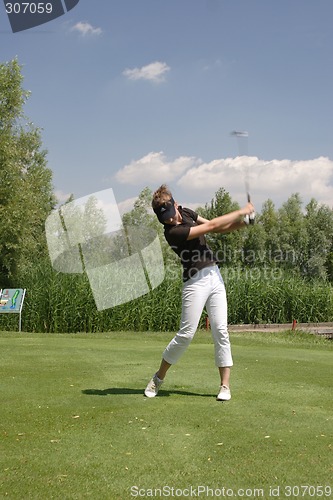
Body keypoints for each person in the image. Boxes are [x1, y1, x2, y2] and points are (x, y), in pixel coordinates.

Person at [144, 184, 255, 401]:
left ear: (175, 204)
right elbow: (213, 225)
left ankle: (224, 386)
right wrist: (243, 210)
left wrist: (243, 223)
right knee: (186, 334)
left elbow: (219, 229)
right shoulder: (173, 233)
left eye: (169, 214)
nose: (169, 220)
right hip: (194, 282)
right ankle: (158, 378)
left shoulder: (186, 212)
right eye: (164, 218)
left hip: (214, 276)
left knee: (221, 330)